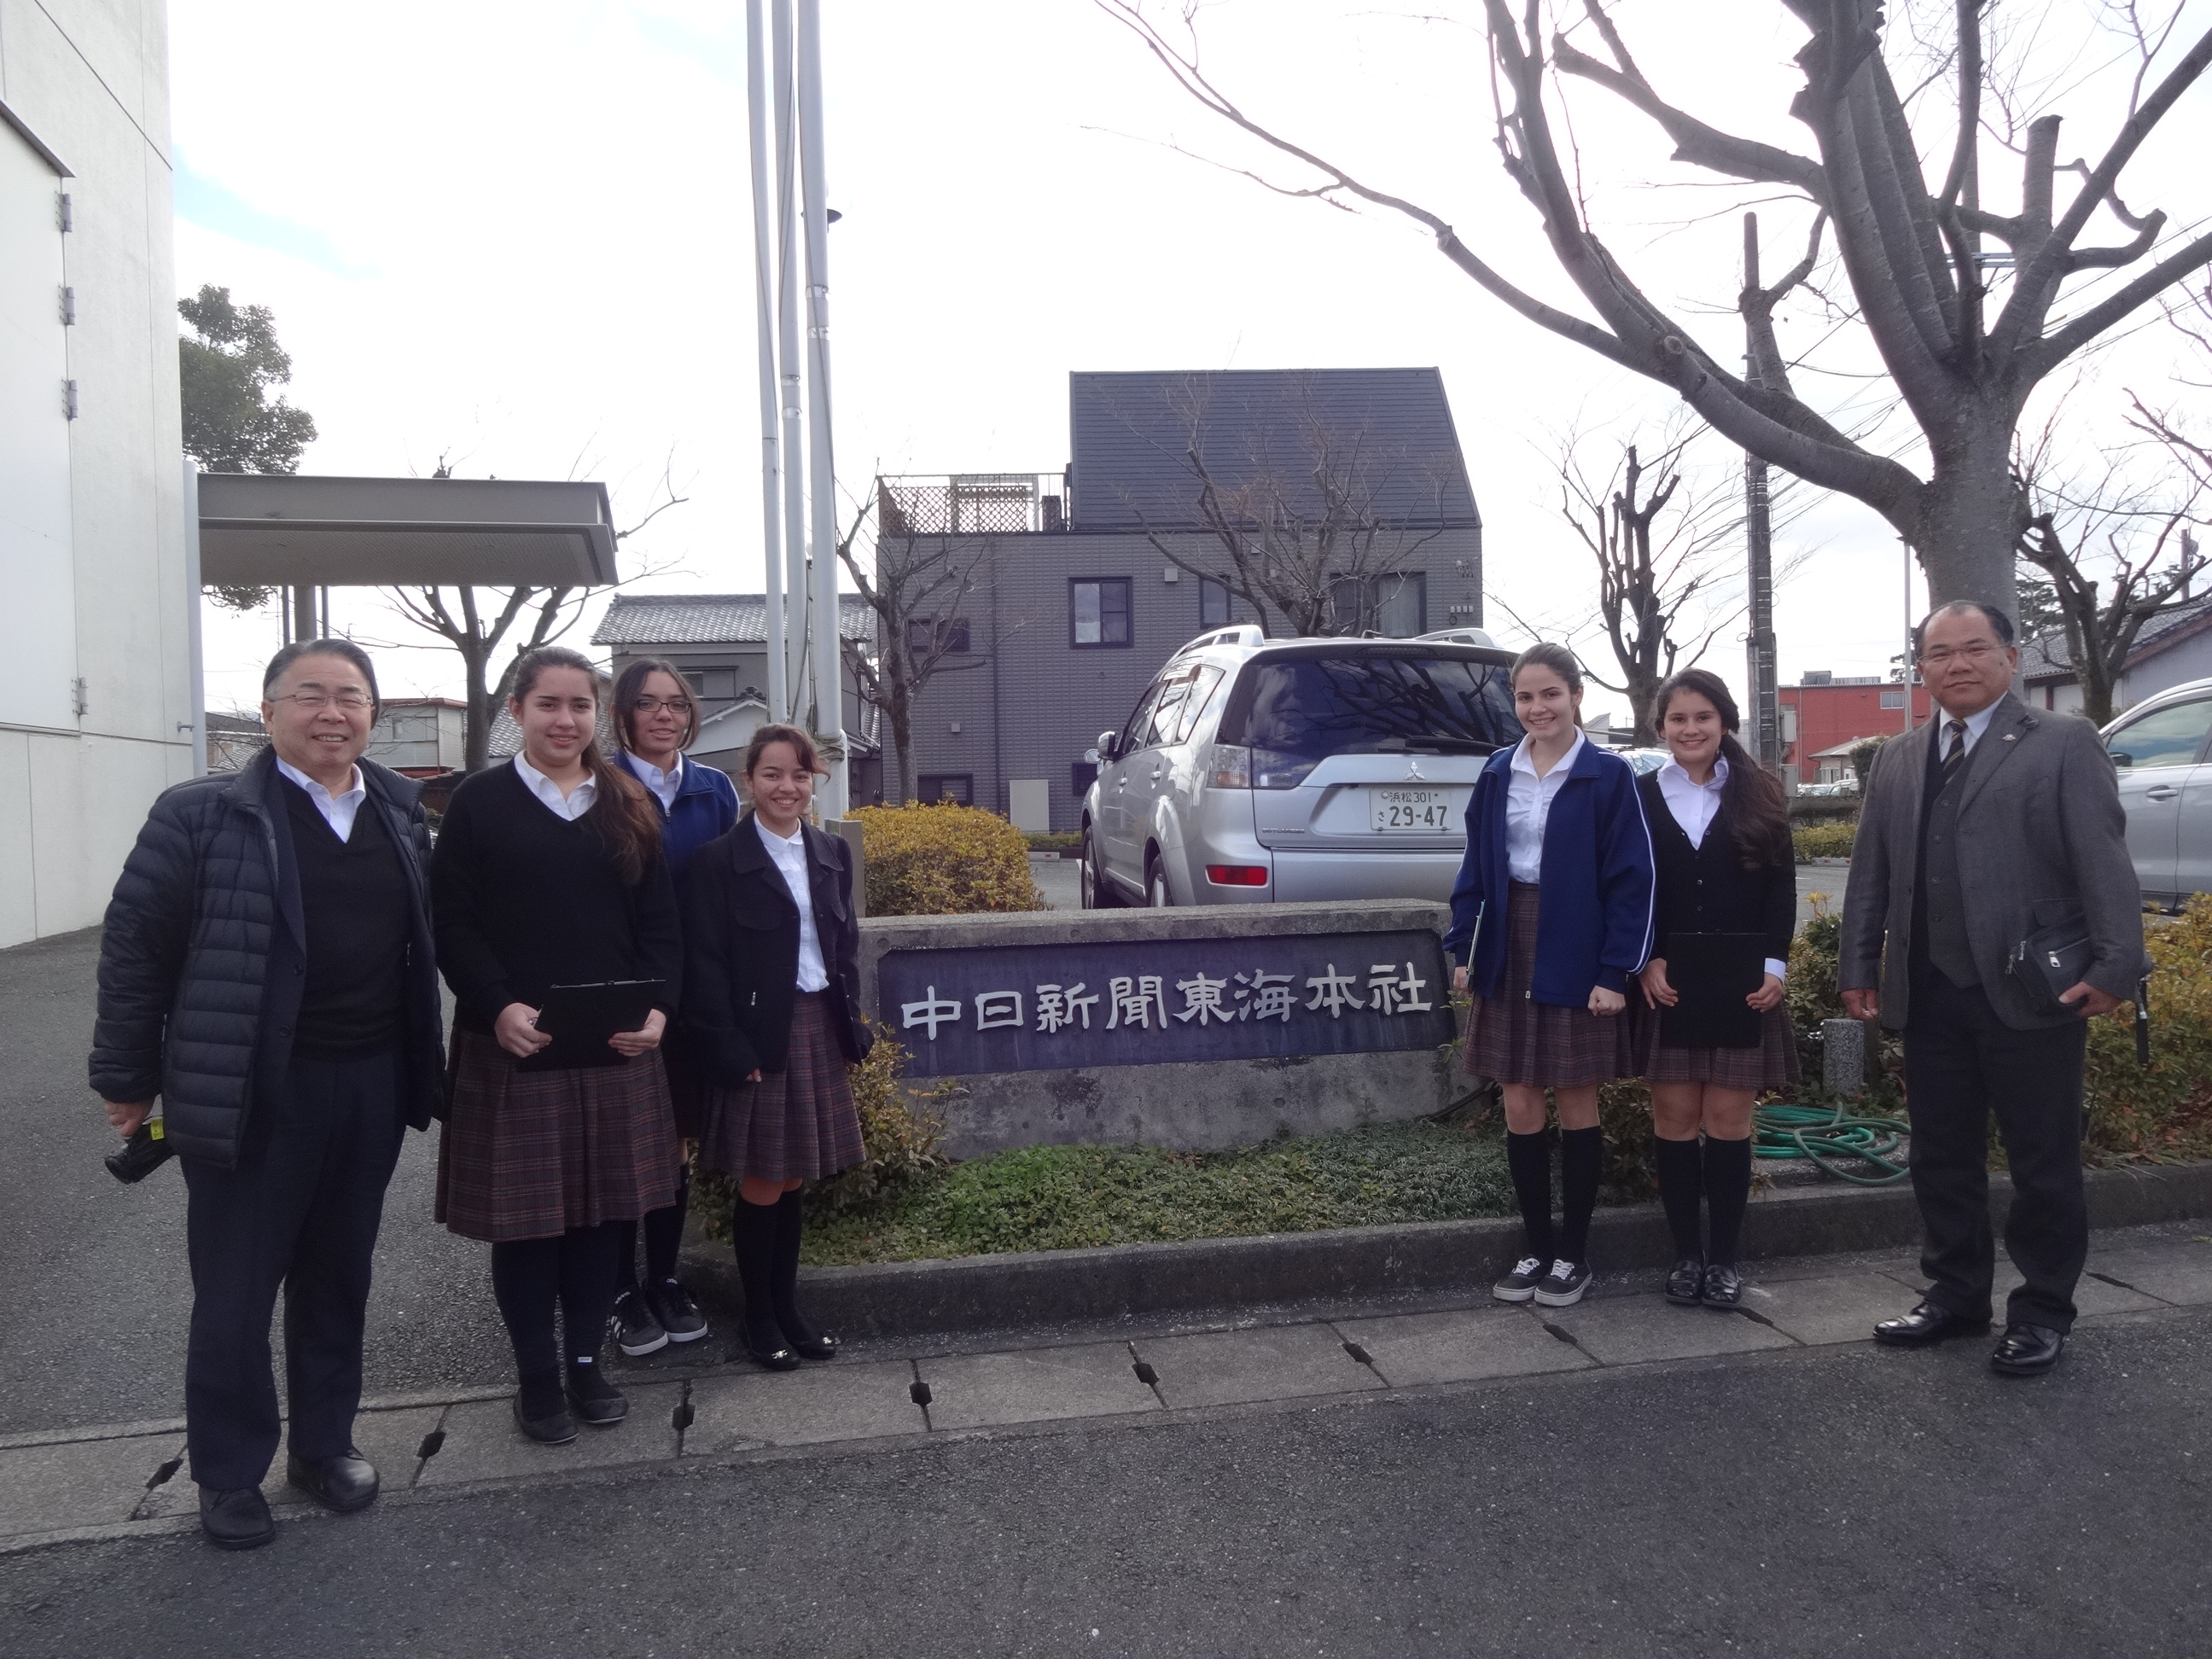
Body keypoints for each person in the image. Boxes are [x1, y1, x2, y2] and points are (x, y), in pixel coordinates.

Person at [89, 639, 445, 1551]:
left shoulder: (399, 810)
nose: (333, 713)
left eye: (351, 696)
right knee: (237, 1291)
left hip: (369, 1081)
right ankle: (229, 1470)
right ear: (268, 711)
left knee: (338, 1275)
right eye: (310, 695)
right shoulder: (202, 814)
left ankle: (324, 1446)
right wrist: (127, 1078)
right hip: (250, 1088)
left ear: (373, 714)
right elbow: (135, 946)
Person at [1842, 601, 2144, 1377]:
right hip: (1929, 988)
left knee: (2043, 1161)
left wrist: (2116, 966)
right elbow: (1871, 872)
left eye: (1975, 648)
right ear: (1922, 669)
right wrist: (1858, 968)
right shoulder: (1900, 756)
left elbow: (2102, 858)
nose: (1958, 664)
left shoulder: (2064, 742)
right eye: (1940, 653)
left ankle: (2043, 1309)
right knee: (1941, 1155)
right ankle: (1956, 1294)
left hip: (2033, 988)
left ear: (2009, 658)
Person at [432, 645, 684, 1441]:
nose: (565, 720)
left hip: (614, 1043)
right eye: (548, 704)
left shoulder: (627, 800)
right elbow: (452, 922)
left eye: (580, 705)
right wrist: (495, 1004)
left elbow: (661, 925)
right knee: (529, 1224)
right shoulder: (478, 803)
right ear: (518, 711)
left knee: (603, 1221)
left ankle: (585, 1364)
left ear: (597, 714)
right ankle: (536, 1377)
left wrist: (659, 1012)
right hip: (517, 1045)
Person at [1446, 643, 1654, 1309]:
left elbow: (1632, 881)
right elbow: (1475, 867)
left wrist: (1615, 972)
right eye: (1526, 697)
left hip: (1577, 943)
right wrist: (1464, 946)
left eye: (1550, 695)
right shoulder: (1496, 772)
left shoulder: (1607, 775)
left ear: (1576, 697)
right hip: (1509, 941)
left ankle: (1573, 1255)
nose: (1538, 708)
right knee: (1519, 1103)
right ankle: (1536, 1247)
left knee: (1577, 1100)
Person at [682, 724, 871, 1370]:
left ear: (813, 781)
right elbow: (704, 967)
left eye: (799, 775)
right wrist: (731, 1049)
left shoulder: (831, 852)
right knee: (764, 1178)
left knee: (791, 1177)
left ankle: (787, 1309)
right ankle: (758, 1317)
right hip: (760, 1034)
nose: (786, 787)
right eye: (771, 774)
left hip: (819, 1024)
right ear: (749, 781)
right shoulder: (717, 861)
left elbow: (845, 948)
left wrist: (852, 1028)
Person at [1631, 668, 1797, 1310]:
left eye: (1703, 716)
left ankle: (1723, 1260)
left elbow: (1781, 887)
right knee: (1675, 1120)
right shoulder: (1641, 795)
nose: (1691, 729)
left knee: (1728, 1122)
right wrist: (1645, 960)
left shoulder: (1761, 792)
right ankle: (1685, 1258)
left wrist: (1775, 968)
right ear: (1662, 727)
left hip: (1742, 981)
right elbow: (1628, 888)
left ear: (1724, 721)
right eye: (1678, 719)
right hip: (1668, 980)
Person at [604, 657, 741, 1359]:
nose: (665, 715)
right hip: (621, 996)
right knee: (616, 1145)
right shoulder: (598, 788)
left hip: (695, 995)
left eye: (677, 704)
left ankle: (663, 1276)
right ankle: (617, 1289)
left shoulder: (715, 789)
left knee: (675, 1144)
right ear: (623, 714)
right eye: (648, 703)